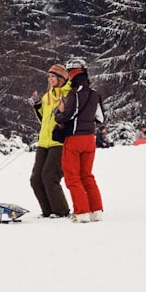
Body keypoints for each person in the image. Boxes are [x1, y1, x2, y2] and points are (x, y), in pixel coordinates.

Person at [54, 64, 104, 223]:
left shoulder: (73, 93)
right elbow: (101, 118)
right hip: (90, 139)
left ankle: (81, 213)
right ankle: (96, 211)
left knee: (73, 177)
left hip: (74, 139)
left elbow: (67, 115)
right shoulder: (95, 94)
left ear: (72, 76)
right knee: (87, 175)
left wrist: (58, 114)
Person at [29, 64, 72, 218]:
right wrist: (37, 104)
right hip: (43, 142)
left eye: (53, 76)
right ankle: (47, 211)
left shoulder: (68, 94)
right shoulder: (47, 96)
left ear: (61, 78)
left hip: (59, 142)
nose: (50, 79)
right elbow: (43, 118)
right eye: (49, 76)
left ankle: (61, 210)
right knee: (35, 179)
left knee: (49, 176)